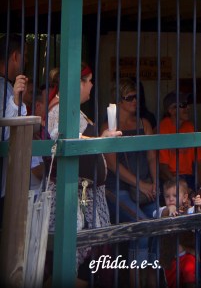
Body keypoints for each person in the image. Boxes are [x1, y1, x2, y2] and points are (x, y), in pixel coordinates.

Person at [46, 63, 121, 277]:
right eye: (89, 80)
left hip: (86, 195)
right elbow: (59, 139)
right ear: (78, 83)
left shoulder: (69, 108)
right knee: (70, 262)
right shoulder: (58, 109)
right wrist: (101, 138)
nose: (92, 85)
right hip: (72, 196)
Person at [103, 77, 159, 282]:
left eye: (137, 97)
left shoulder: (144, 124)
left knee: (159, 222)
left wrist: (154, 183)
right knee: (142, 227)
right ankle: (136, 281)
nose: (135, 101)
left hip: (145, 187)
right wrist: (142, 184)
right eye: (130, 97)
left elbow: (152, 156)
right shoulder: (109, 126)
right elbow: (112, 165)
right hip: (118, 189)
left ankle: (151, 280)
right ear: (118, 101)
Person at [0, 35, 28, 217]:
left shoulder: (7, 87)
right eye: (25, 56)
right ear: (16, 56)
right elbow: (4, 133)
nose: (26, 61)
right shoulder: (2, 89)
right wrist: (16, 101)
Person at [156, 178, 201, 288]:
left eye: (175, 196)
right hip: (170, 258)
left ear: (185, 197)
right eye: (167, 196)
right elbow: (159, 213)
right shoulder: (162, 210)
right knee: (172, 284)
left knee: (189, 275)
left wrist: (197, 206)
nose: (171, 199)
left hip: (188, 254)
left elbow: (196, 215)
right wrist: (170, 209)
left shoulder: (188, 210)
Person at [159, 91, 201, 192]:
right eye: (183, 105)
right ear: (171, 110)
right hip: (170, 180)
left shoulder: (189, 126)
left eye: (187, 105)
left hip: (190, 179)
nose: (188, 108)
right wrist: (185, 190)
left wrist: (200, 190)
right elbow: (163, 168)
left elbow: (200, 163)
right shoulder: (163, 128)